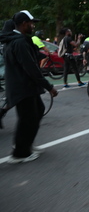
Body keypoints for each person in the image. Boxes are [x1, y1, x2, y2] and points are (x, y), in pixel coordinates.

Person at [0, 10, 58, 163]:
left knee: (37, 111)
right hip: (22, 86)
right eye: (32, 23)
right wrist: (49, 86)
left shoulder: (18, 40)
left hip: (24, 86)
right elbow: (30, 67)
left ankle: (25, 144)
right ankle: (20, 153)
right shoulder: (19, 42)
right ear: (24, 23)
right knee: (27, 118)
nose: (33, 26)